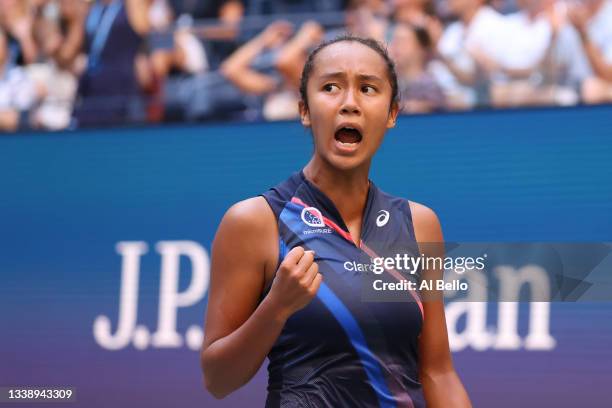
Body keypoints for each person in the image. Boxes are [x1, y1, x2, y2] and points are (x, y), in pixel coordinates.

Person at [200, 35, 472, 407]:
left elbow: (438, 372)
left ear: (392, 113)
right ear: (305, 110)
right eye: (330, 87)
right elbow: (217, 379)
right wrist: (276, 307)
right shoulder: (255, 221)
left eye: (368, 88)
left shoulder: (420, 224)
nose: (349, 103)